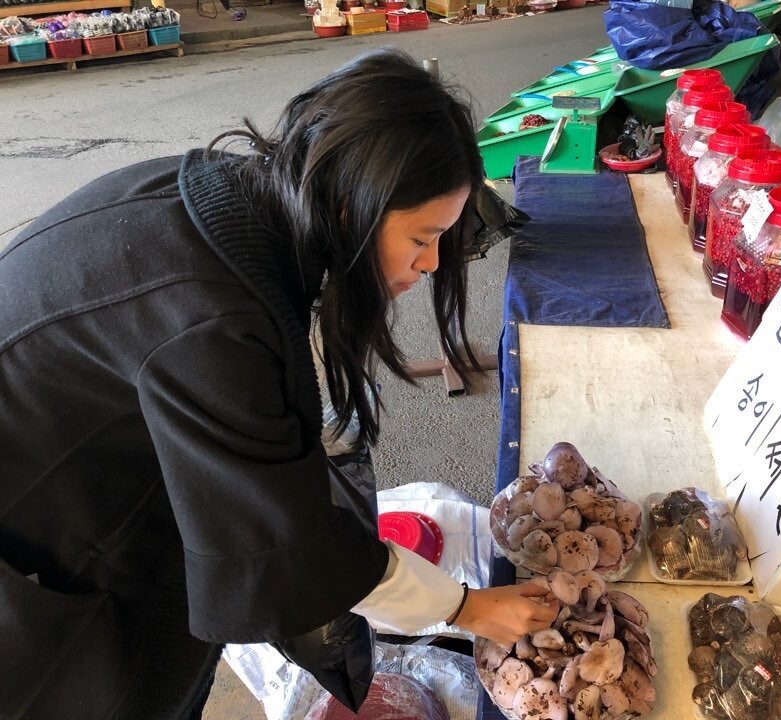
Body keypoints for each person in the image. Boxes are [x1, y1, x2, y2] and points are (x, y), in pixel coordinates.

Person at [0, 48, 557, 719]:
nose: (432, 264)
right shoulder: (215, 322)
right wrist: (471, 609)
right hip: (31, 538)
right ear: (353, 206)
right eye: (423, 237)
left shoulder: (249, 197)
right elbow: (296, 550)